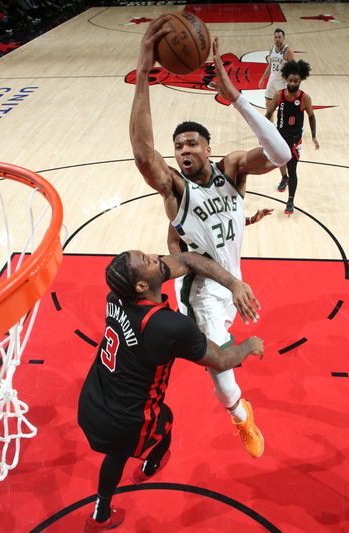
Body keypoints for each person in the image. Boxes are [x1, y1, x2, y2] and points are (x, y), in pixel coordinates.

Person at [130, 16, 291, 459]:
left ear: (207, 146)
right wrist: (144, 71)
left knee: (224, 355)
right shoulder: (176, 188)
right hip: (201, 292)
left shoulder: (233, 171)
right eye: (178, 146)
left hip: (234, 279)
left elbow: (281, 154)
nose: (183, 151)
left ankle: (236, 403)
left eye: (191, 144)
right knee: (220, 374)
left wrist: (235, 96)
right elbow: (145, 155)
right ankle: (241, 417)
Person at [79, 250, 264, 532]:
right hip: (130, 418)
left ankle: (100, 514)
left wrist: (233, 283)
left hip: (93, 399)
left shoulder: (115, 296)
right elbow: (223, 359)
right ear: (141, 287)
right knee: (164, 424)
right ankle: (150, 465)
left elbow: (187, 260)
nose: (154, 256)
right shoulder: (169, 326)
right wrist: (250, 345)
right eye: (147, 260)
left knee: (116, 455)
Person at [264, 60, 319, 215]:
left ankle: (290, 200)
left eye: (296, 81)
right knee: (280, 161)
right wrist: (264, 134)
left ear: (300, 81)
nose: (293, 83)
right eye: (290, 81)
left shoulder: (304, 98)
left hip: (295, 138)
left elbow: (311, 116)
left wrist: (314, 136)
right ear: (286, 80)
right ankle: (284, 178)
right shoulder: (279, 95)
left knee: (292, 167)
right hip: (279, 135)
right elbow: (268, 114)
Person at [258, 28, 294, 108]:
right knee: (268, 104)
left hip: (282, 82)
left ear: (283, 38)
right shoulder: (272, 49)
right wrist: (263, 78)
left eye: (279, 37)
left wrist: (292, 83)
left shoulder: (288, 51)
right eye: (276, 37)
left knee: (285, 107)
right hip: (272, 80)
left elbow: (294, 68)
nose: (277, 39)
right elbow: (270, 65)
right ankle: (269, 121)